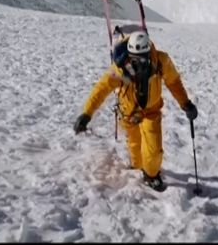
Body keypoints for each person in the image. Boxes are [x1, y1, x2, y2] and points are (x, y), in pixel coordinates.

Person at [74, 31, 197, 192]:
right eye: (135, 59)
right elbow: (101, 89)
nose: (139, 63)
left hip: (151, 112)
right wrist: (86, 113)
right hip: (128, 114)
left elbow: (174, 82)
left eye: (143, 58)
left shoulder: (161, 61)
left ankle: (151, 175)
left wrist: (185, 103)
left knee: (153, 150)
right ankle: (136, 166)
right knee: (135, 152)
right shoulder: (118, 69)